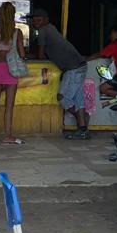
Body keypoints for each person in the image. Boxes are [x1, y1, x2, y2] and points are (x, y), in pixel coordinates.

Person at [27, 8, 90, 139]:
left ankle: (81, 119)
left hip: (73, 69)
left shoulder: (43, 30)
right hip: (80, 66)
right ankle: (83, 129)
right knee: (78, 100)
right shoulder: (51, 28)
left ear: (46, 20)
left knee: (62, 98)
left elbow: (40, 55)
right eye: (34, 20)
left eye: (39, 20)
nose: (36, 23)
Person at [0, 2, 25, 145]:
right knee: (9, 105)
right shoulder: (17, 32)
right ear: (13, 15)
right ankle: (8, 135)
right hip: (11, 68)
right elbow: (22, 53)